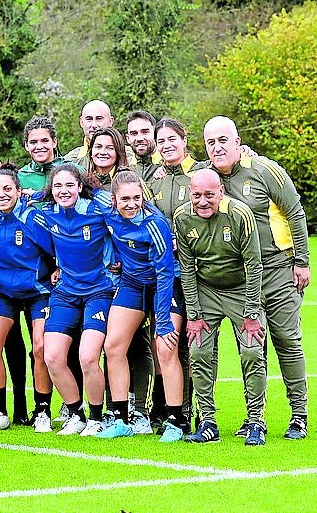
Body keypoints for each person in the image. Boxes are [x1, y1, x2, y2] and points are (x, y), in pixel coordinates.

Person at [204, 116, 309, 440]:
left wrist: (301, 262)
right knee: (251, 346)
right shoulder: (206, 179)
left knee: (287, 341)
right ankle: (255, 418)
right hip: (241, 279)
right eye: (211, 142)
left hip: (278, 269)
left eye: (224, 140)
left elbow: (294, 212)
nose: (218, 147)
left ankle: (299, 415)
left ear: (237, 142)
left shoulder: (264, 169)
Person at [174, 169, 268, 445]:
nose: (202, 201)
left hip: (240, 290)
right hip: (206, 291)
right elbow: (187, 268)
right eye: (197, 195)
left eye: (209, 195)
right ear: (190, 193)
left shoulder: (239, 215)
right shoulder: (182, 217)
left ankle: (255, 421)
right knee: (199, 351)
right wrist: (194, 314)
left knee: (252, 351)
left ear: (221, 193)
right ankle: (207, 422)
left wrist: (251, 314)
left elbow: (254, 265)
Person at [97, 171, 186, 441]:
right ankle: (121, 419)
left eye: (137, 197)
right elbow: (84, 188)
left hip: (164, 286)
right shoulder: (108, 211)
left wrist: (163, 319)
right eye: (125, 198)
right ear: (114, 199)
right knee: (112, 346)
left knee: (165, 347)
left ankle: (176, 421)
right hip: (132, 284)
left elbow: (165, 272)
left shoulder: (155, 223)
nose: (131, 203)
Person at [0, 164, 57, 433]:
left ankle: (42, 410)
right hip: (2, 291)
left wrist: (58, 268)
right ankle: (0, 411)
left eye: (7, 189)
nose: (1, 194)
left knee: (41, 348)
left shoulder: (34, 218)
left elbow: (59, 247)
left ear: (19, 191)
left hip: (38, 291)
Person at [36, 165, 115, 437]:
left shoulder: (97, 210)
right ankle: (77, 414)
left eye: (70, 185)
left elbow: (123, 223)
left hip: (99, 291)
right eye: (58, 186)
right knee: (53, 356)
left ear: (80, 187)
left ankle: (96, 417)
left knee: (87, 357)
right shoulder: (47, 213)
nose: (64, 191)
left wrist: (116, 262)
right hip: (65, 292)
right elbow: (24, 202)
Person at [146, 117, 199, 426]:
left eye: (171, 139)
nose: (166, 145)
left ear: (184, 139)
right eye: (161, 141)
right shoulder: (154, 177)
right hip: (160, 272)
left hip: (193, 272)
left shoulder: (201, 172)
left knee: (188, 343)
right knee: (162, 339)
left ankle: (187, 407)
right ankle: (162, 405)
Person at [64, 100, 136, 168]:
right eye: (89, 119)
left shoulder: (130, 157)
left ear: (110, 121)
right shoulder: (70, 161)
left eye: (99, 119)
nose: (94, 125)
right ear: (81, 122)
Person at [17, 117, 68, 194]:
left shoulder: (74, 172)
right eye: (33, 142)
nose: (39, 147)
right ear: (26, 145)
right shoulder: (20, 178)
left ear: (54, 142)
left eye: (45, 141)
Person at [125, 110, 161, 182]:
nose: (139, 138)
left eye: (145, 132)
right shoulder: (125, 168)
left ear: (155, 134)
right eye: (134, 133)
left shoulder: (167, 165)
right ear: (127, 138)